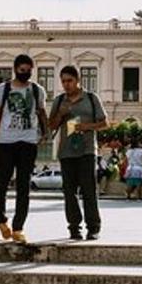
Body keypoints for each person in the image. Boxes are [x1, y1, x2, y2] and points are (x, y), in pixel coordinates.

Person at [0, 54, 48, 244]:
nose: (26, 73)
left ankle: (18, 227)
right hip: (5, 142)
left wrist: (45, 132)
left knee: (24, 187)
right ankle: (1, 220)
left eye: (29, 70)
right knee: (0, 185)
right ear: (15, 69)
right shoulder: (2, 90)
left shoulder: (38, 90)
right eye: (22, 70)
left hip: (28, 143)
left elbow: (41, 112)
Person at [47, 65, 108, 240]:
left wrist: (87, 126)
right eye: (63, 81)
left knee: (89, 190)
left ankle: (93, 227)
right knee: (69, 192)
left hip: (87, 150)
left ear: (78, 80)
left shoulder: (91, 98)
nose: (66, 85)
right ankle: (74, 227)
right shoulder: (59, 101)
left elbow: (104, 123)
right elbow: (51, 126)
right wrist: (60, 114)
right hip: (66, 152)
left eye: (69, 81)